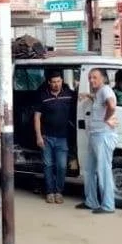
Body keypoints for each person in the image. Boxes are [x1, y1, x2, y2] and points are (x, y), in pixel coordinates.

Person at [76, 69, 119, 215]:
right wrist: (87, 95)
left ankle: (108, 205)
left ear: (103, 79)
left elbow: (111, 105)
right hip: (95, 136)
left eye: (95, 77)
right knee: (89, 170)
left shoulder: (106, 90)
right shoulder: (99, 92)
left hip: (103, 136)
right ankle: (91, 201)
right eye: (90, 77)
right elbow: (97, 98)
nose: (91, 80)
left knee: (103, 171)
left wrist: (107, 118)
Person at [33, 68, 76, 204]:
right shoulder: (43, 96)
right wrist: (39, 136)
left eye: (58, 81)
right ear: (49, 83)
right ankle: (50, 192)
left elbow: (80, 98)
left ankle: (59, 191)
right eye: (54, 82)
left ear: (62, 81)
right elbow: (37, 117)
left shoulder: (69, 94)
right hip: (46, 137)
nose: (56, 84)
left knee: (62, 166)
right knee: (48, 165)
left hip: (63, 138)